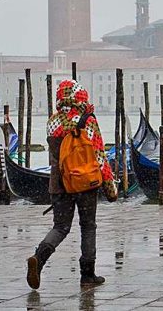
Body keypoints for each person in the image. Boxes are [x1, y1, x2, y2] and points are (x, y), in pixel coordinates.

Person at [26, 80, 118, 289]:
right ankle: (87, 275)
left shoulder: (52, 122)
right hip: (85, 182)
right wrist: (110, 187)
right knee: (88, 226)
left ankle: (38, 259)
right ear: (79, 98)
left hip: (59, 183)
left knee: (60, 227)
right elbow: (99, 156)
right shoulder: (87, 121)